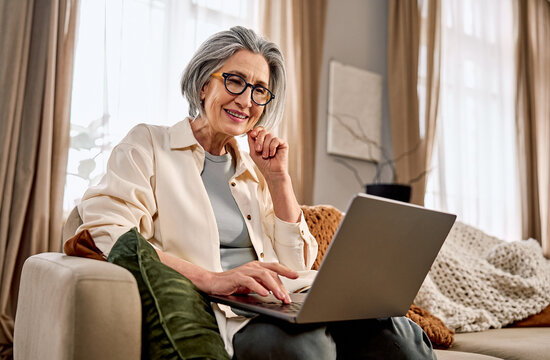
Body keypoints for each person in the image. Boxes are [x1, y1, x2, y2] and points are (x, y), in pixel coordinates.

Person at [77, 26, 436, 359]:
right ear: (204, 85)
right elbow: (111, 232)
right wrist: (212, 279)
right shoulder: (149, 145)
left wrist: (280, 180)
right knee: (306, 349)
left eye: (259, 90)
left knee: (401, 336)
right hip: (232, 314)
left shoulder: (253, 169)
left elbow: (296, 267)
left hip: (287, 301)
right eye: (235, 81)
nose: (247, 101)